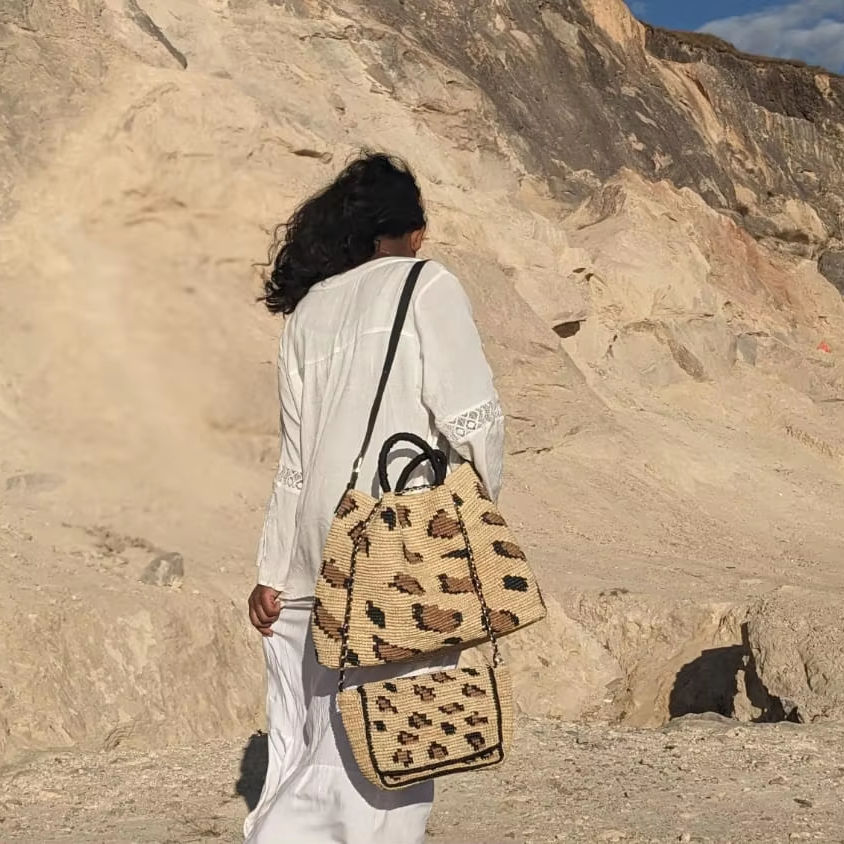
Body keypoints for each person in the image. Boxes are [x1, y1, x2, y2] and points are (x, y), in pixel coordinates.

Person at [243, 152, 504, 843]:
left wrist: (273, 570)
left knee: (326, 729)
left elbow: (295, 462)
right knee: (393, 741)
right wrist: (476, 514)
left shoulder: (310, 311)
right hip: (399, 549)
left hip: (315, 550)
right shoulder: (427, 284)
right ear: (410, 230)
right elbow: (472, 420)